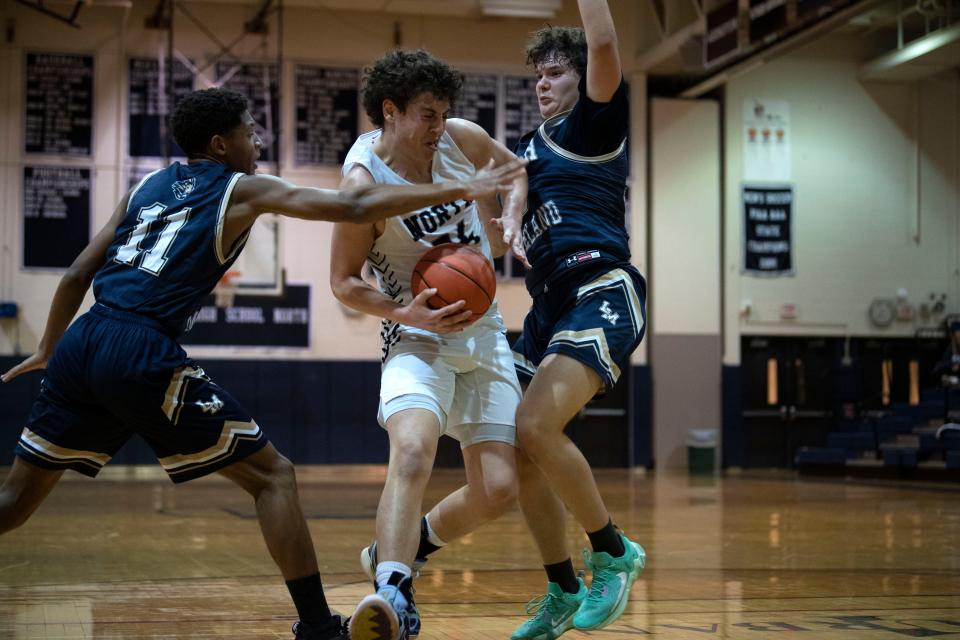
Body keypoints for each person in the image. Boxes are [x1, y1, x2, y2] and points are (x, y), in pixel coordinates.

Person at [0, 88, 525, 640]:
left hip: (83, 339)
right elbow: (351, 207)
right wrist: (462, 186)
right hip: (139, 346)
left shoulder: (145, 188)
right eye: (250, 133)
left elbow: (76, 274)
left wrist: (47, 347)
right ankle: (319, 627)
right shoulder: (240, 187)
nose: (257, 143)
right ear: (220, 144)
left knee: (15, 501)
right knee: (275, 477)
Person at [329, 50, 527, 640]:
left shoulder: (460, 138)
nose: (439, 126)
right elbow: (342, 282)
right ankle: (393, 591)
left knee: (498, 490)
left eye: (444, 113)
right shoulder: (362, 182)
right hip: (416, 331)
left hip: (484, 328)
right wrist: (399, 310)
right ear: (389, 112)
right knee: (413, 451)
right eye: (427, 114)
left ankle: (404, 548)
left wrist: (510, 220)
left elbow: (515, 170)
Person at [508, 2, 648, 638]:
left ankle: (613, 551)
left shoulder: (594, 125)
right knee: (517, 447)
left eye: (557, 71)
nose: (543, 82)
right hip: (548, 306)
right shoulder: (524, 153)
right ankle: (562, 588)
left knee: (537, 425)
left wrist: (592, 30)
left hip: (600, 286)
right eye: (538, 73)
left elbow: (604, 39)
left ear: (583, 77)